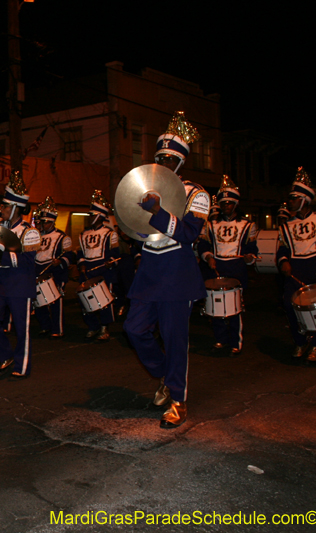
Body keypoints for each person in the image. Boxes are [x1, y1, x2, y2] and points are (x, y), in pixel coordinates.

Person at [122, 111, 210, 429]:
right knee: (134, 328)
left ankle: (178, 400)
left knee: (175, 339)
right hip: (149, 274)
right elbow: (134, 230)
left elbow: (188, 234)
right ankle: (165, 374)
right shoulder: (144, 191)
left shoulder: (196, 194)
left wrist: (158, 212)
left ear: (180, 163)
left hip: (177, 275)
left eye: (170, 158)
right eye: (160, 157)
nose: (164, 162)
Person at [0, 170, 40, 379]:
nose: (2, 209)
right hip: (1, 283)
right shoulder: (0, 230)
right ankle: (6, 356)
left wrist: (0, 256)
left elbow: (27, 261)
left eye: (5, 206)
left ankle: (22, 365)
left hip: (19, 284)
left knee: (21, 328)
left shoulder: (29, 232)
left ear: (15, 208)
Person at [277, 168, 316, 362]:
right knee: (290, 305)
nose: (290, 202)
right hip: (295, 268)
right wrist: (284, 262)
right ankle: (300, 341)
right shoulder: (285, 226)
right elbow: (282, 250)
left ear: (304, 200)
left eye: (294, 198)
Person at [197, 175, 258, 356]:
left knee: (235, 309)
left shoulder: (248, 225)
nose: (226, 207)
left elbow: (252, 248)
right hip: (216, 267)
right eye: (223, 203)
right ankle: (220, 339)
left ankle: (235, 342)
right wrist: (208, 257)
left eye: (230, 203)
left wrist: (249, 258)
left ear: (236, 204)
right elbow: (203, 246)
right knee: (216, 307)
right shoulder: (211, 225)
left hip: (236, 269)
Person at [76, 190, 120, 341]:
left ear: (101, 216)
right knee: (85, 300)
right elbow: (80, 253)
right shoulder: (83, 234)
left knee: (104, 301)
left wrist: (110, 262)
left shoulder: (110, 233)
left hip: (104, 270)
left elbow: (115, 253)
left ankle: (104, 327)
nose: (91, 218)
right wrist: (81, 266)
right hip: (87, 270)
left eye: (93, 215)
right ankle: (93, 326)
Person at [33, 196, 74, 338]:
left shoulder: (63, 237)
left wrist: (61, 261)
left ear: (52, 222)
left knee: (56, 303)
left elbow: (70, 255)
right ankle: (45, 326)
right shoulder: (37, 236)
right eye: (41, 222)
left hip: (56, 273)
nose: (42, 225)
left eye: (45, 223)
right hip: (39, 272)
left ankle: (57, 328)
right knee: (38, 301)